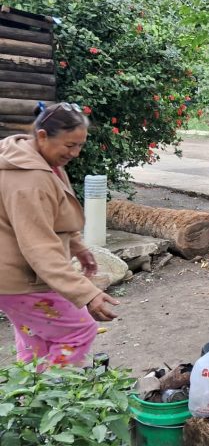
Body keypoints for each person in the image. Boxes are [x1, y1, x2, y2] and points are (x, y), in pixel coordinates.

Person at [0, 103, 119, 367]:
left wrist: (77, 246)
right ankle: (57, 400)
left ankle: (28, 400)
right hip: (23, 280)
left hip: (18, 278)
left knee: (36, 343)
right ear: (42, 136)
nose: (75, 153)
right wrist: (86, 293)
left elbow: (55, 216)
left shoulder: (43, 160)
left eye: (80, 145)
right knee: (79, 330)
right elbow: (39, 246)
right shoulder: (29, 180)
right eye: (69, 145)